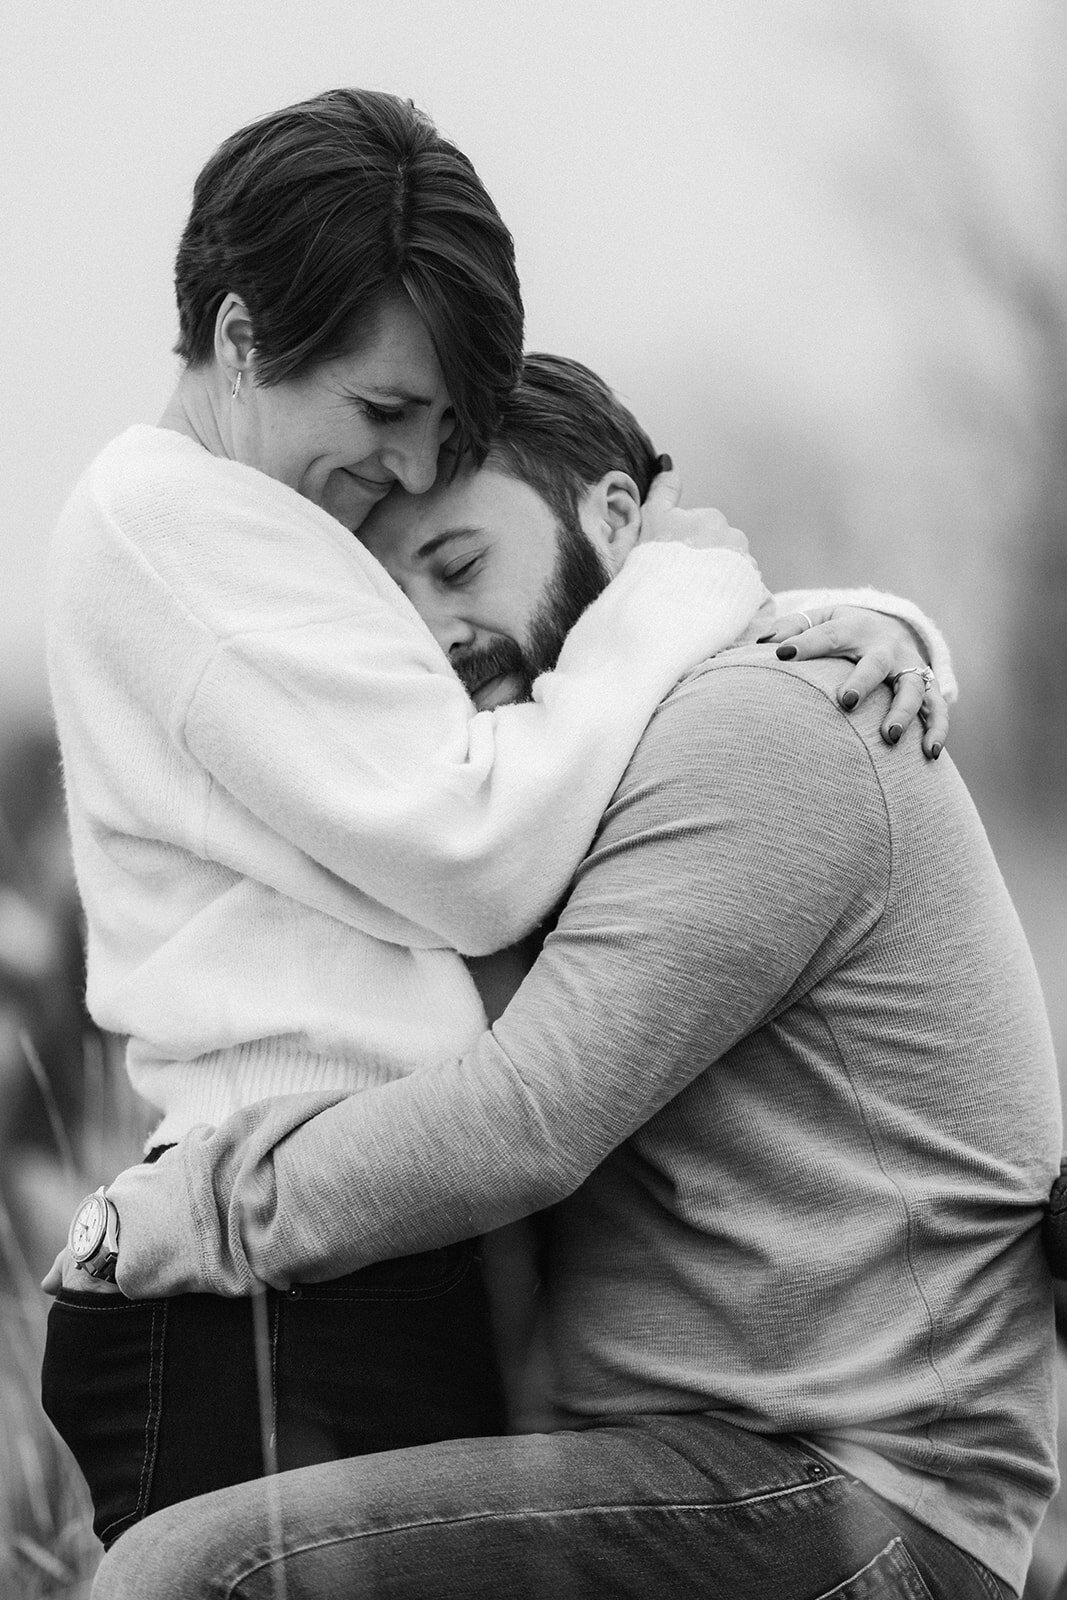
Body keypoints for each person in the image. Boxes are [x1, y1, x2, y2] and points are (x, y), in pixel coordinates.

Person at [42, 83, 951, 1549]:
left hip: (376, 1243)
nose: (408, 466)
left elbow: (529, 734)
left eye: (439, 428)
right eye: (385, 412)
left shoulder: (293, 532)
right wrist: (679, 593)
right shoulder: (170, 524)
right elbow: (475, 849)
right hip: (269, 1272)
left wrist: (844, 627)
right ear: (237, 338)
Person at [82, 354, 1058, 1600]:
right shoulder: (567, 779)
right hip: (687, 1461)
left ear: (609, 522)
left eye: (458, 564)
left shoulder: (766, 727)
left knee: (194, 1572)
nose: (433, 633)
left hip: (853, 1490)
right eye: (396, 599)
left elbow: (526, 1118)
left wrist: (181, 1215)